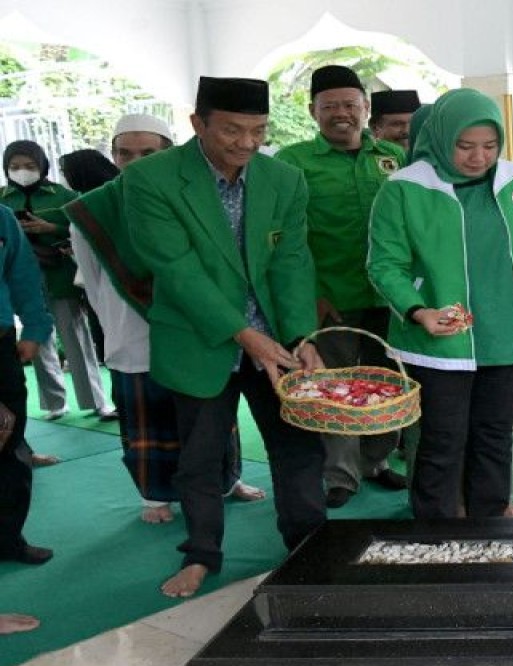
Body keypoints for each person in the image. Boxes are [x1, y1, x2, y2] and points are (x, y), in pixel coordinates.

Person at [123, 76, 327, 598]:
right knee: (200, 455)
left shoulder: (284, 180)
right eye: (232, 130)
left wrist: (301, 335)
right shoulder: (151, 179)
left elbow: (292, 261)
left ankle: (309, 547)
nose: (246, 143)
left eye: (258, 131)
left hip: (276, 342)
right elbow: (175, 268)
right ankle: (201, 555)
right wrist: (241, 333)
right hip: (201, 339)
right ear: (198, 124)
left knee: (299, 447)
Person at [367, 87, 513, 520]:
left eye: (489, 145)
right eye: (465, 146)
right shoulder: (404, 188)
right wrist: (418, 310)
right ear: (441, 138)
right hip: (439, 342)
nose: (479, 157)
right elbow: (385, 264)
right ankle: (437, 533)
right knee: (442, 438)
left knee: (495, 435)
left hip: (505, 335)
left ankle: (489, 527)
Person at [64, 116, 260, 525]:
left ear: (169, 152)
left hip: (199, 327)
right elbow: (94, 283)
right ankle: (155, 496)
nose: (134, 162)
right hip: (132, 334)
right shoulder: (94, 209)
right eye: (124, 153)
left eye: (148, 153)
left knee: (213, 416)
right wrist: (119, 326)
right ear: (112, 156)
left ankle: (228, 481)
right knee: (148, 420)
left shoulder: (198, 195)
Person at [276, 65, 409, 509]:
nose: (341, 114)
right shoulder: (292, 162)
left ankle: (376, 461)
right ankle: (340, 475)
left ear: (365, 108)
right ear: (313, 111)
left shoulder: (392, 156)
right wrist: (308, 294)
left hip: (388, 298)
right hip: (328, 299)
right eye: (329, 105)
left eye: (350, 105)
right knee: (332, 389)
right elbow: (285, 238)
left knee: (387, 384)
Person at [2, 140, 114, 422]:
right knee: (37, 340)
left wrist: (50, 227)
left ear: (42, 165)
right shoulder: (3, 200)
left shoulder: (62, 195)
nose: (22, 172)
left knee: (75, 337)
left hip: (59, 275)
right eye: (14, 167)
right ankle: (54, 402)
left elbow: (82, 229)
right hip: (21, 281)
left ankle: (95, 401)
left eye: (29, 166)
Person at [0, 205, 55, 567]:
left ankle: (8, 540)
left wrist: (35, 328)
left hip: (1, 345)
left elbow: (23, 275)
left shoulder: (3, 217)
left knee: (8, 441)